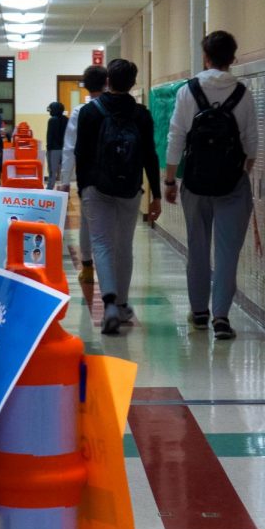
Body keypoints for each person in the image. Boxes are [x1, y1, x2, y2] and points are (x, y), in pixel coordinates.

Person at [163, 30, 258, 340]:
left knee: (198, 248)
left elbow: (176, 136)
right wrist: (240, 172)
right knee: (228, 253)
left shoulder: (187, 91)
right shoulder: (243, 93)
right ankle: (221, 317)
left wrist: (170, 179)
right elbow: (252, 143)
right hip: (232, 183)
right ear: (232, 59)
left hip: (195, 182)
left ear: (205, 57)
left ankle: (199, 312)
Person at [74, 59, 162, 334]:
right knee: (124, 245)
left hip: (96, 187)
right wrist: (156, 195)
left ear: (108, 81)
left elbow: (81, 154)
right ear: (133, 84)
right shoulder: (142, 115)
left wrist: (82, 188)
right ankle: (122, 304)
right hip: (130, 188)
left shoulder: (90, 112)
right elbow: (150, 155)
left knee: (101, 243)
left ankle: (109, 302)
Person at [59, 65, 108, 284]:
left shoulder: (81, 112)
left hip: (89, 177)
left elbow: (70, 149)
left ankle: (87, 267)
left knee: (88, 224)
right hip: (117, 176)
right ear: (107, 82)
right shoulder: (118, 108)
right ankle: (111, 272)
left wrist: (64, 181)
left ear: (86, 87)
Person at [45, 101, 68, 189]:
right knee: (63, 172)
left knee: (52, 172)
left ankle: (49, 190)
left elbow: (50, 135)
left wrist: (48, 148)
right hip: (64, 149)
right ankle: (65, 192)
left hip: (54, 150)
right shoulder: (66, 119)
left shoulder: (52, 120)